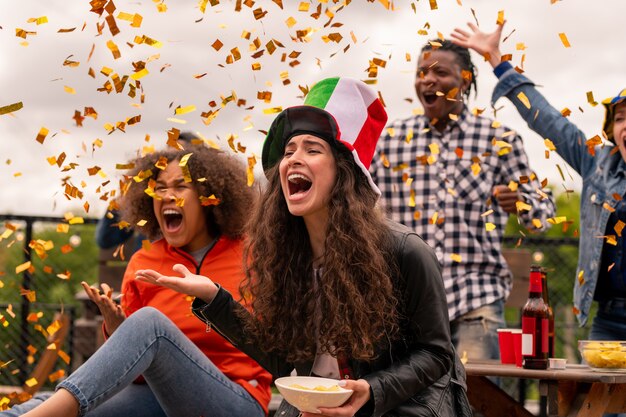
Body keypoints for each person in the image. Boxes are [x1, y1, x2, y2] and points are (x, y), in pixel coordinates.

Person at [134, 77, 472, 417]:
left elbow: (436, 354)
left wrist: (370, 392)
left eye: (312, 149)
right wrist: (214, 297)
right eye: (289, 151)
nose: (293, 159)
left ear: (344, 172)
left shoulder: (406, 250)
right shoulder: (286, 257)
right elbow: (282, 361)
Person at [5, 145, 272, 417]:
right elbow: (139, 377)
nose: (168, 195)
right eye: (159, 188)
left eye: (181, 186)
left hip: (237, 399)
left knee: (149, 323)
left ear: (207, 197)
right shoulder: (144, 261)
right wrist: (118, 328)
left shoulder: (253, 254)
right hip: (160, 400)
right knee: (47, 403)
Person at [452, 20, 626, 396]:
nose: (625, 126)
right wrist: (497, 60)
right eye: (621, 118)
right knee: (601, 406)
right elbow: (546, 119)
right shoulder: (597, 162)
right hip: (610, 322)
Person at [369, 39, 556, 362]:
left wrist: (523, 201)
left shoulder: (499, 139)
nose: (427, 80)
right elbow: (366, 207)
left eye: (440, 72)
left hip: (475, 299)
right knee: (411, 406)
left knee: (478, 402)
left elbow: (544, 216)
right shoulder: (392, 141)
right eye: (421, 73)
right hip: (407, 301)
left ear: (465, 79)